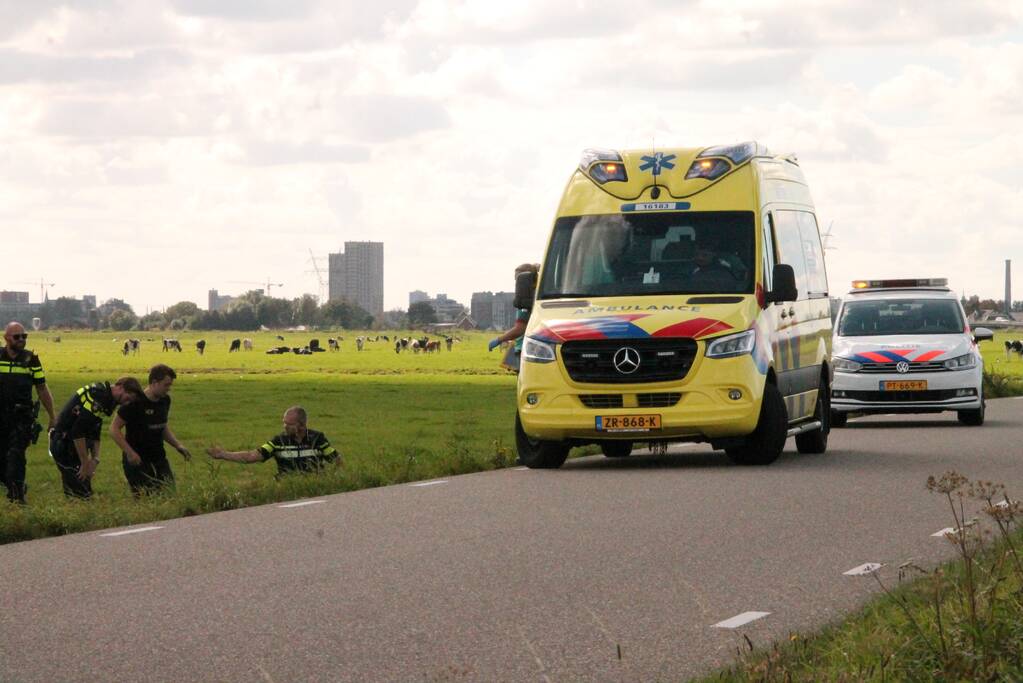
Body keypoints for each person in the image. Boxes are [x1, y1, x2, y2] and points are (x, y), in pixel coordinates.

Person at [48, 378, 143, 499]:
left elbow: (95, 430)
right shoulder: (99, 397)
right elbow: (78, 431)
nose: (126, 403)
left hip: (72, 445)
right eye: (128, 398)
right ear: (121, 387)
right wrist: (84, 463)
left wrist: (95, 459)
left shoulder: (107, 398)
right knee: (81, 494)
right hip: (64, 444)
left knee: (78, 492)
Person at [109, 364, 191, 497]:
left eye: (170, 385)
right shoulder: (135, 402)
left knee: (170, 495)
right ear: (154, 383)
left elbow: (161, 426)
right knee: (145, 499)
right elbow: (114, 428)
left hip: (159, 458)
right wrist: (130, 453)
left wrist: (178, 445)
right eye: (166, 385)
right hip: (138, 460)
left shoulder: (165, 401)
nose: (168, 389)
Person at [0, 321, 56, 504]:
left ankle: (18, 499)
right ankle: (14, 486)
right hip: (1, 417)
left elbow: (41, 388)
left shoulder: (31, 360)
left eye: (24, 336)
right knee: (2, 461)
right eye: (17, 337)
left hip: (21, 418)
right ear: (6, 338)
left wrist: (52, 416)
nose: (21, 340)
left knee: (16, 457)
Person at [207, 406, 339, 477]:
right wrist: (223, 454)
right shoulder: (278, 441)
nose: (285, 426)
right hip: (287, 486)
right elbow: (252, 456)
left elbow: (337, 461)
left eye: (289, 424)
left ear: (302, 425)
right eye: (284, 423)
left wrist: (329, 480)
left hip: (313, 486)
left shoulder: (318, 439)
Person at [487, 263, 539, 372]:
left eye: (519, 281)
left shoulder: (526, 302)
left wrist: (498, 340)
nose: (517, 285)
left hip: (525, 351)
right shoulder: (533, 298)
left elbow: (520, 329)